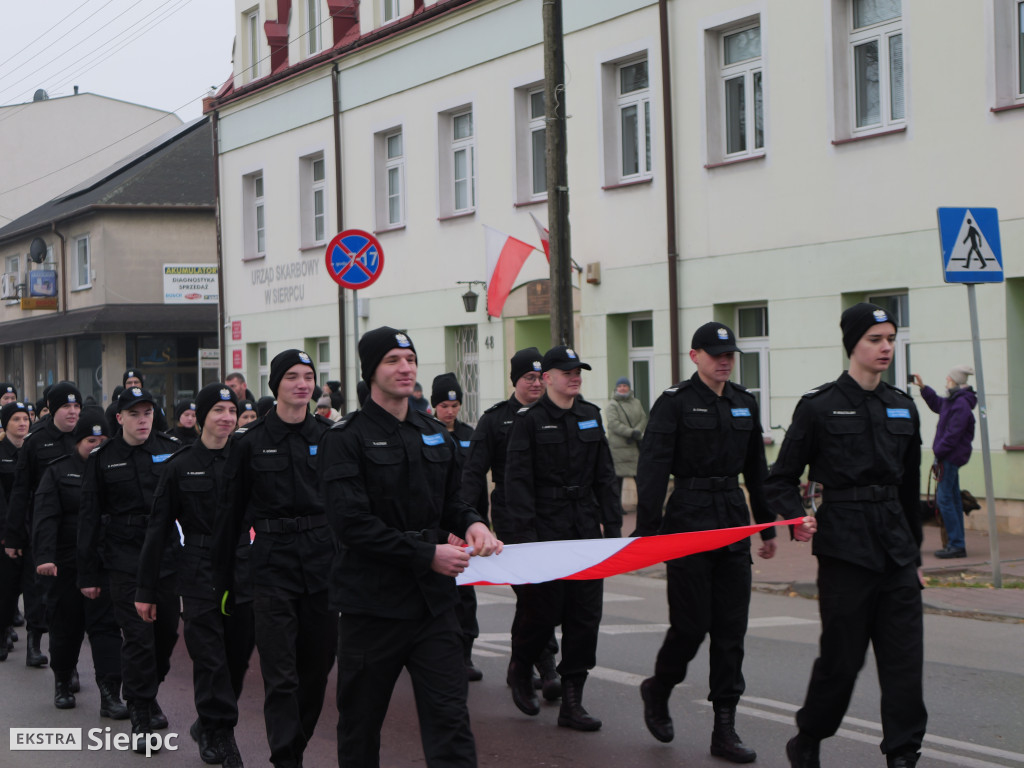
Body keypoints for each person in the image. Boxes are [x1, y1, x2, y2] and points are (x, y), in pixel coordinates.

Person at [319, 326, 501, 768]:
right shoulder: (345, 438)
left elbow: (453, 502)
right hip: (372, 609)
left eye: (410, 360)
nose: (406, 369)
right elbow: (353, 526)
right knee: (360, 727)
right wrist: (427, 554)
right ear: (371, 371)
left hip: (433, 609)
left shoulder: (434, 432)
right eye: (393, 361)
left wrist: (475, 524)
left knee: (451, 722)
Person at [766, 302, 926, 768]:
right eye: (876, 340)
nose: (886, 348)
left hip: (895, 550)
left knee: (903, 664)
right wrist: (796, 515)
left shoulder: (902, 406)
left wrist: (914, 559)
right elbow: (780, 478)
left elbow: (910, 488)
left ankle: (903, 753)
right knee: (842, 661)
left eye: (891, 339)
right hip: (845, 551)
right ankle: (809, 736)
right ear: (852, 344)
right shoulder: (819, 406)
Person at [634, 322, 783, 763]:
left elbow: (757, 468)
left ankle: (725, 729)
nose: (725, 360)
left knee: (731, 631)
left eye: (730, 354)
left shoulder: (744, 402)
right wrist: (648, 530)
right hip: (688, 521)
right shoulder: (674, 403)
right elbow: (653, 467)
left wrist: (767, 526)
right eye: (716, 353)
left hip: (733, 522)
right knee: (691, 626)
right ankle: (658, 688)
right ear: (695, 355)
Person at [213, 350, 336, 768]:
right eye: (292, 377)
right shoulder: (249, 443)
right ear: (276, 385)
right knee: (281, 674)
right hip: (270, 568)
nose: (302, 384)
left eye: (308, 376)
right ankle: (286, 758)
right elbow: (229, 516)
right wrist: (225, 578)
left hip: (322, 567)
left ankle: (294, 746)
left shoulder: (330, 437)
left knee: (317, 671)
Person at [504, 345, 621, 731]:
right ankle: (521, 668)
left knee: (584, 618)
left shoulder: (590, 416)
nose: (575, 376)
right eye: (567, 371)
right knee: (541, 612)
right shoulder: (530, 422)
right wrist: (525, 540)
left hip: (584, 530)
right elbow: (516, 483)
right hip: (545, 530)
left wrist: (613, 528)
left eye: (579, 371)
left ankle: (573, 701)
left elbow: (605, 475)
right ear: (548, 377)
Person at [136, 384, 251, 767]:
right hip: (198, 568)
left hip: (242, 566)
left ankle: (207, 723)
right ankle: (221, 734)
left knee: (236, 657)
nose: (227, 417)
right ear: (201, 416)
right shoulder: (179, 465)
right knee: (210, 657)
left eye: (232, 410)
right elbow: (158, 530)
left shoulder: (246, 459)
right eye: (218, 409)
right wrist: (146, 589)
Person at [78, 386, 182, 752]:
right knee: (138, 637)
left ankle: (148, 689)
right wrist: (87, 574)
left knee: (166, 634)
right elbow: (89, 517)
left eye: (148, 413)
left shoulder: (170, 451)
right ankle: (140, 713)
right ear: (119, 418)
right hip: (123, 557)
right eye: (134, 414)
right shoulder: (103, 458)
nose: (142, 420)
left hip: (166, 558)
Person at [459, 347, 561, 699]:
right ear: (515, 380)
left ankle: (525, 661)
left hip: (552, 516)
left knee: (546, 592)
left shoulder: (558, 413)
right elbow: (473, 473)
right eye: (528, 378)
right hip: (512, 516)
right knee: (533, 590)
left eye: (540, 377)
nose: (535, 383)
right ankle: (545, 666)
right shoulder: (495, 419)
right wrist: (473, 520)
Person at [31, 407, 126, 718]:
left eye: (102, 438)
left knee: (107, 629)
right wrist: (45, 557)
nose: (96, 444)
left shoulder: (116, 469)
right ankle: (62, 678)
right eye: (90, 439)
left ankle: (110, 693)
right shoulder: (58, 472)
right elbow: (45, 518)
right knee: (66, 627)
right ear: (77, 442)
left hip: (105, 562)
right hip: (67, 564)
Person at [5, 381, 83, 668]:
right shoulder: (36, 441)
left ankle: (68, 659)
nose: (73, 412)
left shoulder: (86, 438)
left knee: (73, 596)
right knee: (39, 589)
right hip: (42, 526)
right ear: (51, 410)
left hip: (78, 528)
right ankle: (35, 642)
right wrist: (13, 537)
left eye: (76, 407)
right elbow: (21, 489)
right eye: (66, 407)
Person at [431, 372, 487, 681]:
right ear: (434, 406)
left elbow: (476, 484)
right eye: (443, 405)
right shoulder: (429, 433)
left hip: (466, 524)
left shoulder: (469, 434)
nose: (449, 411)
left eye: (454, 404)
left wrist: (481, 521)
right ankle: (444, 651)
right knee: (444, 591)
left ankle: (465, 651)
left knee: (467, 593)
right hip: (441, 529)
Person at [911, 366, 977, 559]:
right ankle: (956, 543)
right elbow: (938, 404)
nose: (946, 379)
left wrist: (939, 452)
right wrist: (924, 388)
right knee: (953, 500)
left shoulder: (961, 404)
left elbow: (953, 434)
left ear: (957, 381)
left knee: (945, 500)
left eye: (949, 378)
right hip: (948, 457)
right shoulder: (954, 400)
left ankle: (956, 545)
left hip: (949, 457)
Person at [0, 400, 32, 662]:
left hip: (32, 528)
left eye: (25, 419)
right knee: (7, 587)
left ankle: (35, 642)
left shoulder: (33, 451)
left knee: (31, 587)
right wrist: (6, 531)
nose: (22, 423)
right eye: (16, 419)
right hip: (7, 531)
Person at [605, 377, 647, 511]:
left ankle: (644, 504)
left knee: (640, 478)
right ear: (616, 388)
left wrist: (637, 432)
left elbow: (643, 418)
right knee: (617, 480)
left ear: (629, 388)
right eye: (620, 386)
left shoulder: (636, 402)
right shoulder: (612, 405)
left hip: (634, 446)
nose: (622, 388)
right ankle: (617, 507)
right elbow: (613, 424)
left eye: (625, 386)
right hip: (619, 449)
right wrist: (631, 432)